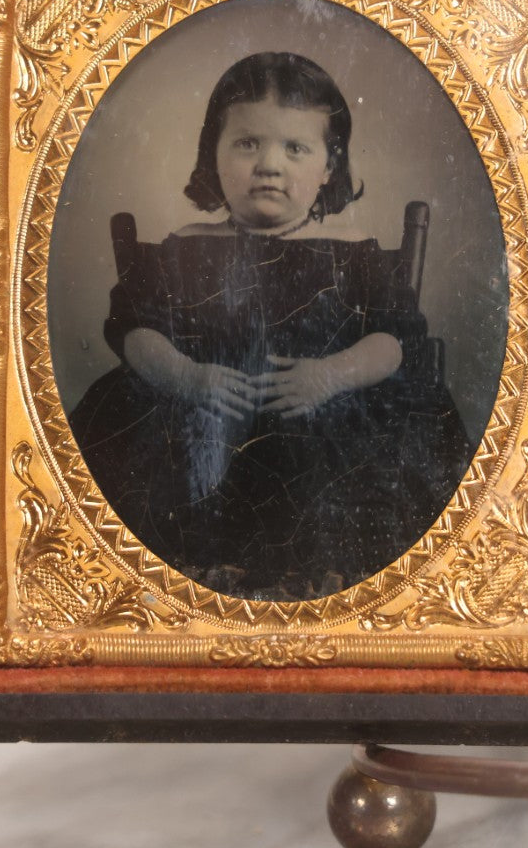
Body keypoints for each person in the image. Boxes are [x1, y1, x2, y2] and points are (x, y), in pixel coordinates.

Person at [68, 52, 473, 601]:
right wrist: (187, 378)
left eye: (295, 148)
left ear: (328, 167)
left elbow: (396, 341)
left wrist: (331, 375)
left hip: (326, 419)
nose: (269, 165)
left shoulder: (355, 257)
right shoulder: (184, 249)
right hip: (201, 420)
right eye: (247, 143)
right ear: (213, 154)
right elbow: (136, 330)